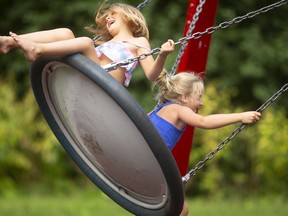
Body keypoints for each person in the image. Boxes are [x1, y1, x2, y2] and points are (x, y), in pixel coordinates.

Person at [148, 71, 261, 216]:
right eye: (199, 97)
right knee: (181, 209)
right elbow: (204, 121)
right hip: (151, 165)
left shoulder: (160, 109)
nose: (201, 102)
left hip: (143, 160)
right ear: (184, 97)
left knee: (158, 208)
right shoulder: (179, 110)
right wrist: (240, 116)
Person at [0, 2, 175, 87]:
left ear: (129, 17)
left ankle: (37, 50)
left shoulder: (138, 42)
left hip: (105, 84)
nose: (108, 18)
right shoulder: (108, 43)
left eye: (113, 14)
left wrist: (163, 54)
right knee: (66, 33)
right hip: (89, 72)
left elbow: (152, 75)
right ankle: (9, 42)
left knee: (85, 43)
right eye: (107, 17)